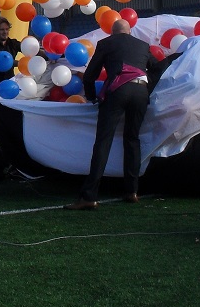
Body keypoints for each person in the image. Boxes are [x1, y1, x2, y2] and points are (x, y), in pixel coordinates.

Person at [65, 19, 156, 210]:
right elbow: (156, 68)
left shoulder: (106, 44)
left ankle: (89, 196)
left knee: (103, 141)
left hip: (118, 92)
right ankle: (132, 191)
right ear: (129, 32)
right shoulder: (143, 45)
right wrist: (149, 89)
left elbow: (90, 74)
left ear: (113, 33)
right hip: (141, 92)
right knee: (132, 139)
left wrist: (91, 97)